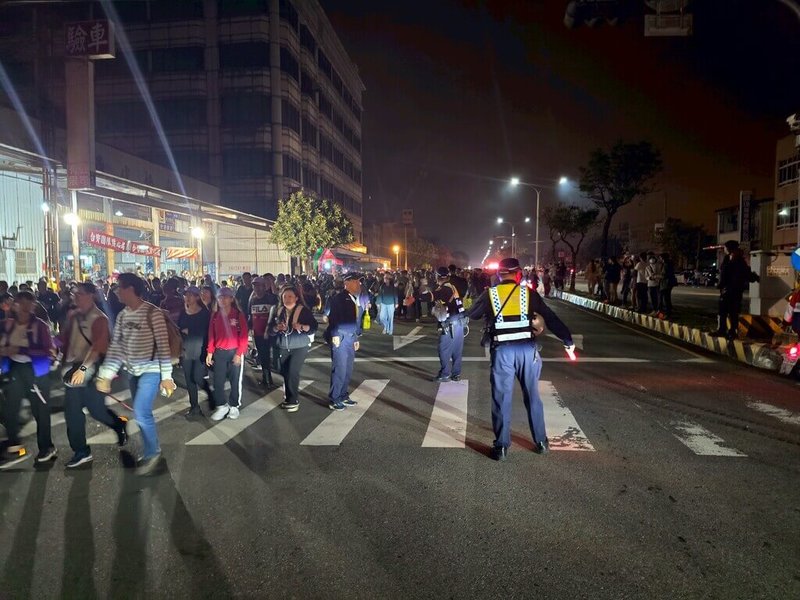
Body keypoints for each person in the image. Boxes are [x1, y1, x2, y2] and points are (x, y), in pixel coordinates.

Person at [467, 257, 575, 461]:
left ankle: (501, 448)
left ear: (499, 275)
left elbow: (472, 315)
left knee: (501, 398)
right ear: (518, 274)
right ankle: (541, 442)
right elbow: (550, 318)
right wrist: (567, 340)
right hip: (527, 350)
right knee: (532, 395)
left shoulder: (490, 294)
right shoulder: (529, 294)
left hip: (502, 352)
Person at [96, 273, 177, 476]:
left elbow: (163, 347)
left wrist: (166, 377)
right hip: (132, 372)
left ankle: (153, 453)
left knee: (140, 412)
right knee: (141, 413)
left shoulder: (153, 313)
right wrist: (106, 374)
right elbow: (117, 347)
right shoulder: (123, 315)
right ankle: (151, 449)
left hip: (151, 370)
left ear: (130, 289)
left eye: (119, 288)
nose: (116, 292)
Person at [58, 282, 128, 467]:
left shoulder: (99, 319)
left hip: (91, 368)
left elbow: (98, 347)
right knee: (72, 411)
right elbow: (66, 341)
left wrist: (83, 369)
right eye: (75, 293)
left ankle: (118, 424)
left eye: (80, 294)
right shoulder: (73, 316)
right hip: (74, 369)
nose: (76, 297)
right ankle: (81, 450)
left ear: (92, 296)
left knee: (97, 411)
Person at [0, 291, 55, 466]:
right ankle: (14, 445)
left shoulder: (40, 326)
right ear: (15, 304)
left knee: (40, 411)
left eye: (28, 303)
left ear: (33, 305)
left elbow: (48, 351)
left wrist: (20, 350)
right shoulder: (8, 324)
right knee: (10, 410)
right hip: (15, 369)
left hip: (36, 372)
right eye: (20, 303)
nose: (24, 307)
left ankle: (47, 447)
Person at [270, 285, 317, 412]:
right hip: (282, 346)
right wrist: (276, 328)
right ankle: (289, 394)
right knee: (282, 370)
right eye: (285, 296)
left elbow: (313, 327)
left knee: (292, 371)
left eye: (290, 296)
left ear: (296, 298)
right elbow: (270, 329)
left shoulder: (304, 311)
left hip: (299, 346)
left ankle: (292, 400)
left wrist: (302, 327)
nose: (287, 299)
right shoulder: (277, 311)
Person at [207, 287, 249, 421]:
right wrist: (210, 352)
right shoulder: (215, 315)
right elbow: (211, 335)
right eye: (220, 297)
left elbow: (243, 336)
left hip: (234, 352)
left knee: (235, 381)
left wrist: (239, 353)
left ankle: (234, 405)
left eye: (225, 297)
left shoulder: (238, 315)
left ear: (231, 299)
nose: (222, 300)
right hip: (219, 353)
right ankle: (221, 405)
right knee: (217, 381)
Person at [324, 273, 363, 411]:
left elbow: (356, 320)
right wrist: (334, 334)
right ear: (347, 283)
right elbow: (334, 316)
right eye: (356, 282)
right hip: (340, 336)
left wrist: (357, 336)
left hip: (350, 337)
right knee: (340, 368)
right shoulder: (339, 298)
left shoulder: (354, 298)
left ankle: (343, 395)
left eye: (359, 282)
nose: (359, 284)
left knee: (348, 369)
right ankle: (334, 398)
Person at [421, 267, 466, 382]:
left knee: (443, 348)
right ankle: (456, 374)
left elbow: (429, 297)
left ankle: (445, 374)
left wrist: (420, 291)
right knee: (456, 349)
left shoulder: (444, 289)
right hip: (459, 321)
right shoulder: (452, 287)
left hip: (450, 323)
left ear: (437, 276)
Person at [178, 286, 211, 418]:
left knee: (197, 377)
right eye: (186, 295)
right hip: (185, 349)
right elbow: (179, 328)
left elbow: (207, 332)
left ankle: (209, 392)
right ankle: (195, 407)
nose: (187, 298)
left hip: (200, 349)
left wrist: (189, 331)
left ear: (197, 297)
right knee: (189, 379)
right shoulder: (183, 312)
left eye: (191, 295)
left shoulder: (204, 313)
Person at [716, 240, 757, 340]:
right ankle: (723, 330)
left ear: (729, 248)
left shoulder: (738, 260)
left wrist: (754, 277)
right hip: (727, 290)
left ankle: (732, 331)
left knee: (732, 311)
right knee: (723, 311)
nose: (724, 249)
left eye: (725, 247)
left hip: (734, 290)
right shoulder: (727, 258)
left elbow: (744, 273)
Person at [249, 276, 279, 387]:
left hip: (270, 332)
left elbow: (277, 314)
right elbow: (250, 315)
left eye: (259, 286)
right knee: (263, 355)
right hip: (257, 333)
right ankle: (267, 378)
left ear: (264, 286)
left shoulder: (271, 298)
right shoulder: (252, 300)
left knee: (267, 356)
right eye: (255, 286)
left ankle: (267, 378)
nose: (257, 288)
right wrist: (250, 329)